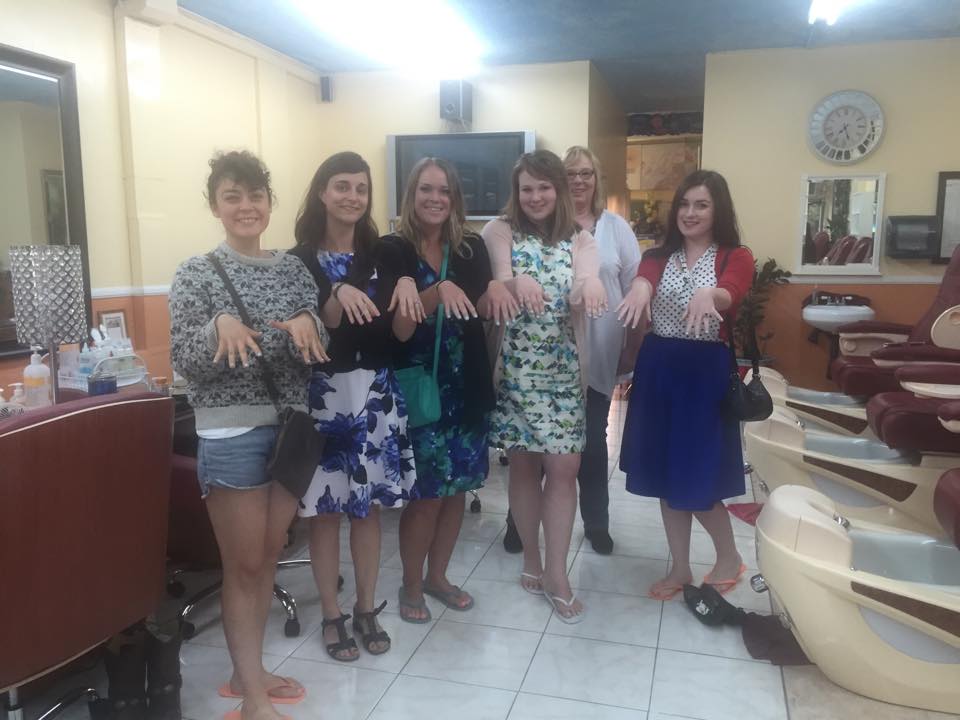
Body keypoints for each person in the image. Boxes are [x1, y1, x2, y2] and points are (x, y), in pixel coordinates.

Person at [169, 150, 328, 720]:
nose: (245, 206)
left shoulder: (292, 271)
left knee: (266, 556)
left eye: (255, 195)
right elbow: (184, 359)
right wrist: (220, 327)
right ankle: (253, 702)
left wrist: (309, 325)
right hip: (230, 432)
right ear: (215, 205)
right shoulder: (196, 273)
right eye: (232, 196)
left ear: (269, 203)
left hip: (288, 431)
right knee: (244, 566)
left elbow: (315, 350)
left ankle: (248, 673)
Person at [289, 152, 419, 660]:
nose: (352, 196)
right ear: (322, 192)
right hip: (324, 396)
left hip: (376, 394)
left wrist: (408, 286)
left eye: (361, 188)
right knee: (324, 513)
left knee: (368, 512)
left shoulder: (384, 256)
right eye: (341, 186)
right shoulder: (299, 260)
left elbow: (402, 334)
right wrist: (338, 288)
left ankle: (366, 608)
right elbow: (326, 325)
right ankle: (331, 614)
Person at [617, 169, 754, 601]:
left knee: (698, 477)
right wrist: (640, 288)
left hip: (704, 374)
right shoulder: (659, 255)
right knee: (664, 474)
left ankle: (729, 558)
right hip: (659, 366)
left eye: (701, 205)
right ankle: (679, 567)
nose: (690, 212)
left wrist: (711, 295)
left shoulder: (734, 256)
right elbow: (645, 279)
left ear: (718, 210)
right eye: (684, 204)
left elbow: (731, 292)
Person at [482, 149, 606, 624]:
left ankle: (557, 573)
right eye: (526, 188)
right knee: (523, 466)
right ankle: (532, 560)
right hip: (516, 370)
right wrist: (517, 282)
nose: (535, 197)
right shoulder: (500, 230)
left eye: (544, 187)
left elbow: (583, 284)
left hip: (563, 372)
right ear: (516, 192)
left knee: (565, 469)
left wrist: (587, 289)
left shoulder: (582, 239)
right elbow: (500, 280)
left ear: (560, 190)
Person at [386, 157, 499, 623]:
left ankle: (438, 577)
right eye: (426, 189)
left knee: (458, 492)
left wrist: (500, 292)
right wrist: (435, 293)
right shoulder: (393, 250)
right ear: (411, 195)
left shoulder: (470, 248)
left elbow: (482, 308)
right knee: (427, 496)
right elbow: (398, 331)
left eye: (444, 191)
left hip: (466, 386)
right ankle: (412, 585)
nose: (435, 198)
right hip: (420, 391)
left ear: (455, 199)